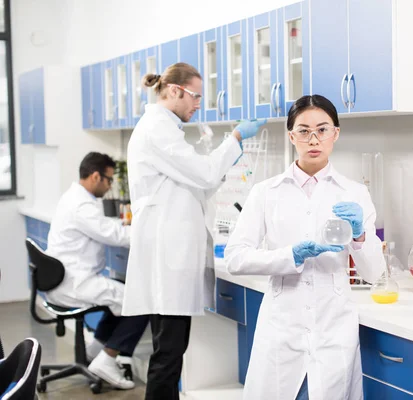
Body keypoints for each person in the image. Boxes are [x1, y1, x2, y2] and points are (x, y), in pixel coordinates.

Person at [225, 94, 386, 400]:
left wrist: (361, 236)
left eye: (323, 130)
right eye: (303, 130)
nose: (314, 139)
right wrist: (290, 256)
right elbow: (235, 258)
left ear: (335, 134)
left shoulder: (355, 193)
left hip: (333, 329)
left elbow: (375, 272)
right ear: (291, 136)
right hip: (282, 328)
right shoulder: (266, 192)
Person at [122, 62, 266, 400]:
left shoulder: (164, 129)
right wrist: (233, 139)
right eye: (195, 96)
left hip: (169, 255)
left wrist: (223, 165)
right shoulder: (158, 129)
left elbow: (198, 185)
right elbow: (203, 174)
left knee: (170, 352)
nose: (198, 103)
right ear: (174, 91)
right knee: (169, 356)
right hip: (167, 257)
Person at [45, 152, 149, 390]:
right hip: (74, 283)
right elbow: (113, 236)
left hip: (69, 278)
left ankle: (97, 349)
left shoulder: (75, 198)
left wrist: (122, 223)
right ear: (95, 176)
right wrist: (148, 230)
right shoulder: (81, 204)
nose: (110, 185)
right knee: (140, 301)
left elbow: (101, 227)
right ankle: (108, 358)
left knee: (119, 291)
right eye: (109, 180)